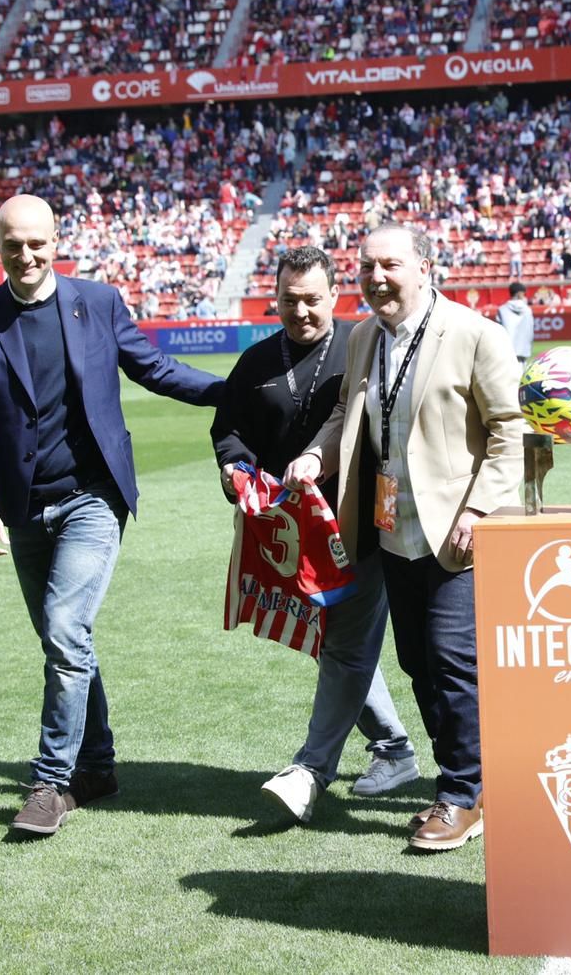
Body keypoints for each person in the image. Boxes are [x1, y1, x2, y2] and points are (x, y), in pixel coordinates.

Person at [0, 194, 228, 836]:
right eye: (13, 244)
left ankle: (50, 783)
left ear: (56, 240)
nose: (26, 255)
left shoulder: (97, 303)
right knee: (65, 640)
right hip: (20, 507)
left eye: (37, 243)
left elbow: (152, 368)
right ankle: (97, 767)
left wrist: (232, 391)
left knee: (66, 627)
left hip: (92, 498)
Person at [286, 224, 524, 851]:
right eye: (366, 267)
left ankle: (461, 795)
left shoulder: (475, 334)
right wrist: (318, 457)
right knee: (417, 664)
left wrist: (478, 509)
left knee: (452, 662)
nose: (376, 278)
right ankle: (465, 781)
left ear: (423, 266)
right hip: (392, 533)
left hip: (457, 534)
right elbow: (346, 413)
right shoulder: (363, 336)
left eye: (389, 264)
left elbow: (509, 432)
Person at [210, 246, 418, 823]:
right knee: (335, 646)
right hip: (289, 534)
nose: (299, 311)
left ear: (334, 296)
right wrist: (234, 469)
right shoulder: (255, 362)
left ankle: (313, 770)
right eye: (288, 300)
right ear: (274, 298)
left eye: (311, 300)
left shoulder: (363, 346)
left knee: (346, 645)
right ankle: (395, 749)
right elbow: (229, 430)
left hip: (360, 525)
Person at [497, 281, 535, 365]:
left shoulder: (502, 310)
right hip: (523, 351)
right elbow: (530, 332)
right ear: (520, 294)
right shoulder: (528, 310)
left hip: (507, 352)